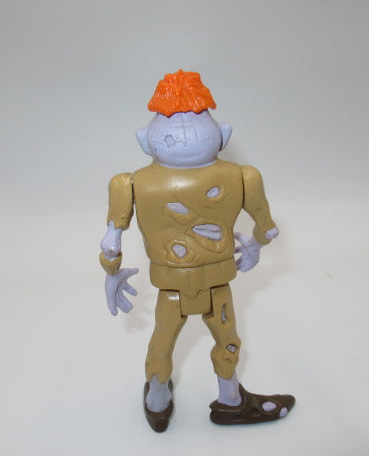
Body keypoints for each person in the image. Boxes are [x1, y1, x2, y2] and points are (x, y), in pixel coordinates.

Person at [99, 70, 295, 432]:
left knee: (162, 341)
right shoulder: (243, 177)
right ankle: (230, 401)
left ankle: (158, 402)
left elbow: (111, 245)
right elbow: (267, 228)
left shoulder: (130, 184)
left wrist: (112, 275)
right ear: (222, 135)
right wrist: (255, 246)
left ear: (145, 140)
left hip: (171, 287)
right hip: (217, 283)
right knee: (227, 339)